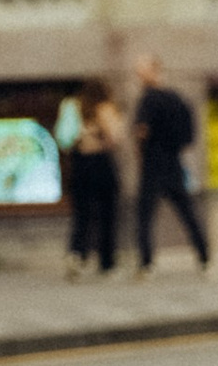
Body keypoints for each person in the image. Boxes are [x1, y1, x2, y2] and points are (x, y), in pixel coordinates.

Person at [132, 57, 209, 272]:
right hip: (173, 163)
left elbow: (141, 131)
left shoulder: (148, 99)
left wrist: (141, 152)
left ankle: (146, 263)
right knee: (187, 213)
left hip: (153, 165)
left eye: (141, 71)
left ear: (154, 71)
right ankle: (204, 257)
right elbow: (189, 136)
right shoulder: (177, 99)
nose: (138, 76)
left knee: (145, 216)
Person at [64, 87, 126, 278]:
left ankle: (77, 255)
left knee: (81, 215)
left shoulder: (71, 106)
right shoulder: (106, 108)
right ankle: (107, 263)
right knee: (107, 215)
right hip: (102, 163)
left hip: (80, 164)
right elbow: (116, 137)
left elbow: (64, 138)